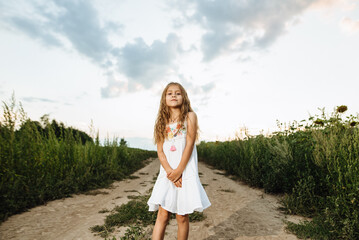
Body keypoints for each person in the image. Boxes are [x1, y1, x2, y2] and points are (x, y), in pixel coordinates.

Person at [147, 82, 211, 240]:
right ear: (164, 98)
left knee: (182, 216)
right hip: (167, 173)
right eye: (169, 93)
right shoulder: (162, 122)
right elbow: (160, 151)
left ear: (184, 97)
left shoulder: (189, 116)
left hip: (185, 171)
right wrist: (170, 172)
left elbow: (189, 144)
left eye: (178, 93)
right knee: (162, 214)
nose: (174, 95)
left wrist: (179, 171)